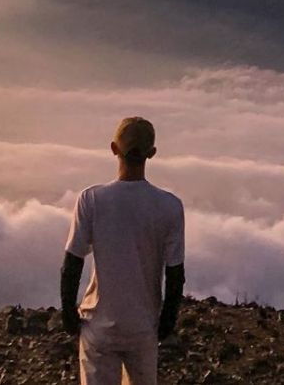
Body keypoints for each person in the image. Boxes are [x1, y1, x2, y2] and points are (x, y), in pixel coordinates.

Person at [61, 117, 186, 385]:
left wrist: (68, 314)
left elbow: (73, 262)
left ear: (113, 148)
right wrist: (167, 321)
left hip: (99, 326)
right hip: (143, 326)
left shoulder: (92, 200)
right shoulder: (170, 206)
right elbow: (175, 273)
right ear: (152, 153)